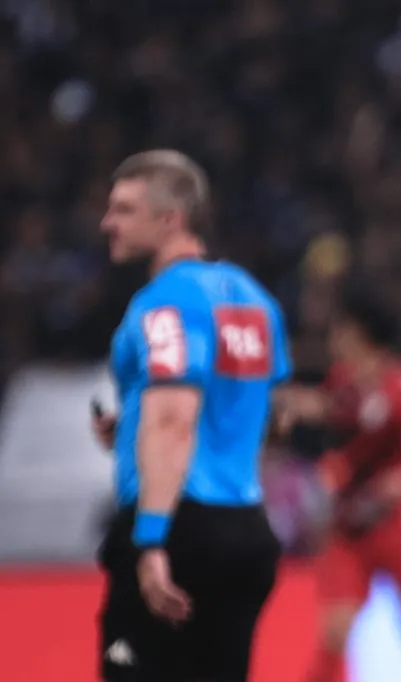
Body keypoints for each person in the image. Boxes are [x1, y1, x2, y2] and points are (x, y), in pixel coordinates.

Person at [91, 149, 292, 682]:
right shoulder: (256, 301)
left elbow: (175, 419)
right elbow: (270, 417)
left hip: (179, 527)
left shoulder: (164, 304)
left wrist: (152, 540)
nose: (107, 223)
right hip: (245, 529)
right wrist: (132, 428)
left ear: (170, 218)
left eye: (124, 209)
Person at [275, 292, 401, 682]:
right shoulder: (343, 381)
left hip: (397, 524)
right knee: (334, 629)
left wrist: (398, 484)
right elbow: (325, 407)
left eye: (340, 330)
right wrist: (275, 399)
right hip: (347, 528)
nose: (333, 339)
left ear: (359, 333)